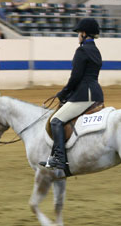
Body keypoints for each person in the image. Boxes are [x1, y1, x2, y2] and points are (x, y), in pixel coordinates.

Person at [40, 17, 104, 172]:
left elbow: (75, 77)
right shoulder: (96, 50)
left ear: (84, 34)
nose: (78, 35)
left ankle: (60, 159)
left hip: (84, 95)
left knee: (56, 120)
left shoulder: (82, 51)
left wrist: (63, 93)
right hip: (96, 93)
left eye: (79, 32)